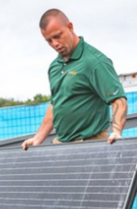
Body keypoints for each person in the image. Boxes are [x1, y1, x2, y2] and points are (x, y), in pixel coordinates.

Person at [22, 9, 127, 150]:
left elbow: (118, 100)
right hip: (61, 146)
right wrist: (38, 138)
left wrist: (116, 132)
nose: (55, 44)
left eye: (57, 36)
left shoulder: (94, 62)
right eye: (49, 41)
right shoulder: (55, 66)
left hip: (90, 145)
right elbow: (56, 104)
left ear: (70, 27)